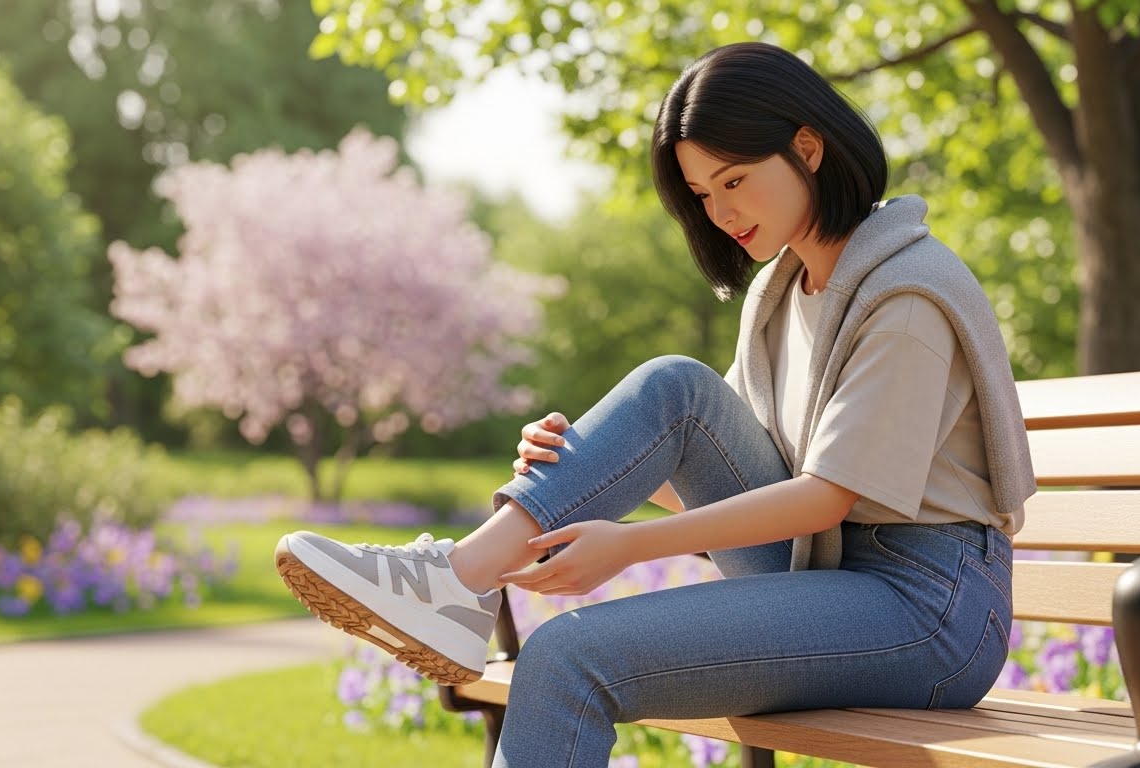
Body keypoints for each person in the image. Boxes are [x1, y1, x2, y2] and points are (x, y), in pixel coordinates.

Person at [274, 41, 1036, 767]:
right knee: (677, 386)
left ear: (809, 148)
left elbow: (827, 497)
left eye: (734, 180)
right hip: (827, 570)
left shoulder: (906, 296)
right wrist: (579, 463)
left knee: (569, 654)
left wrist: (630, 545)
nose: (719, 212)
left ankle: (453, 583)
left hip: (927, 609)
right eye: (702, 194)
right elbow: (713, 464)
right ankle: (460, 576)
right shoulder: (780, 292)